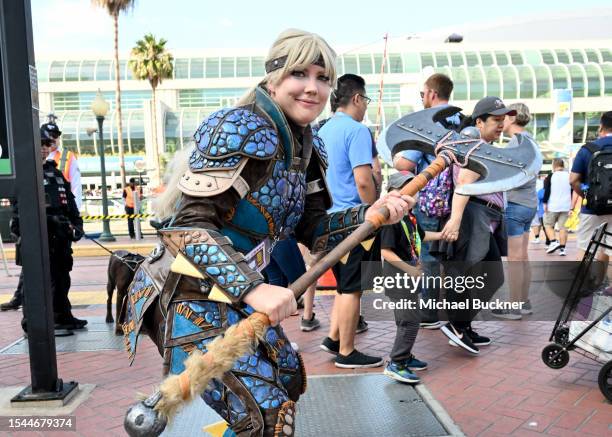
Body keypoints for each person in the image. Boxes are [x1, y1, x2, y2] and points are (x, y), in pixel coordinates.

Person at [123, 29, 413, 437]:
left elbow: (315, 232)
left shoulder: (308, 146)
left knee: (288, 379)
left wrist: (372, 213)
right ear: (274, 77)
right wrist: (254, 290)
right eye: (300, 74)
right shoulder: (240, 127)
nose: (312, 88)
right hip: (191, 295)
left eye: (322, 77)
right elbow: (188, 226)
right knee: (267, 417)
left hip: (236, 295)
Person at [432, 96, 514, 354]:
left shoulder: (481, 145)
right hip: (471, 215)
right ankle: (457, 325)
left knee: (483, 276)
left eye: (503, 120)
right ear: (480, 121)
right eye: (495, 120)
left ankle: (462, 325)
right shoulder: (475, 147)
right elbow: (464, 184)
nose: (501, 125)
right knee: (468, 275)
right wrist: (456, 220)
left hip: (481, 216)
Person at [317, 73, 385, 368]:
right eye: (365, 100)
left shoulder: (321, 129)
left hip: (327, 218)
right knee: (352, 287)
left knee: (343, 284)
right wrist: (374, 210)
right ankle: (346, 351)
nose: (366, 107)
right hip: (354, 219)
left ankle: (333, 337)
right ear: (356, 98)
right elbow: (363, 181)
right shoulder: (357, 131)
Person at [392, 73, 461, 330]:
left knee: (429, 256)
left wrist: (396, 158)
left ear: (432, 93)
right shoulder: (462, 121)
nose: (423, 99)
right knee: (454, 257)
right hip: (459, 201)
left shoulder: (427, 121)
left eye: (422, 94)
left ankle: (429, 312)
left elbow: (406, 164)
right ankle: (456, 315)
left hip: (431, 200)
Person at [14, 134, 85, 334]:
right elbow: (20, 213)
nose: (44, 148)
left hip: (60, 239)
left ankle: (62, 317)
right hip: (38, 239)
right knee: (37, 282)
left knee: (62, 279)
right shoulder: (26, 173)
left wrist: (77, 225)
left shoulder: (55, 173)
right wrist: (49, 221)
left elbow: (69, 203)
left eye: (46, 145)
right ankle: (35, 323)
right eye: (40, 145)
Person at [381, 171, 441, 384]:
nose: (412, 193)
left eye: (415, 189)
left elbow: (422, 237)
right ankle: (396, 363)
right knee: (410, 321)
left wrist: (444, 234)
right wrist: (410, 270)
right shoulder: (392, 219)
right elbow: (385, 252)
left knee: (406, 319)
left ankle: (405, 356)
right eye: (406, 189)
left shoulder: (410, 218)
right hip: (399, 279)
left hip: (409, 279)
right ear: (392, 193)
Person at [494, 103, 542, 319]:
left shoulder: (516, 143)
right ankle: (524, 302)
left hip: (515, 204)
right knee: (522, 256)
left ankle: (514, 307)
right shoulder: (531, 140)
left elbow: (511, 176)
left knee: (514, 258)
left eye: (503, 117)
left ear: (512, 118)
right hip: (530, 204)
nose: (500, 121)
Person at [571, 111, 612, 264]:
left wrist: (586, 195)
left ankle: (586, 285)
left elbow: (573, 180)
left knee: (585, 249)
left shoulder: (588, 149)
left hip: (592, 208)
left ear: (601, 127)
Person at [41, 117, 83, 211]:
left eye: (55, 135)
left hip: (63, 208)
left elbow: (76, 187)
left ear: (59, 138)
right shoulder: (33, 156)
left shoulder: (69, 156)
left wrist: (75, 212)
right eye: (48, 135)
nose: (52, 138)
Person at [543, 159, 572, 256]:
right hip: (566, 205)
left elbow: (547, 190)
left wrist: (545, 202)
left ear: (553, 165)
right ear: (562, 165)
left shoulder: (551, 176)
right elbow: (572, 191)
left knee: (547, 224)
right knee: (563, 228)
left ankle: (554, 242)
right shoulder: (569, 176)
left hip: (553, 205)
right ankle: (563, 249)